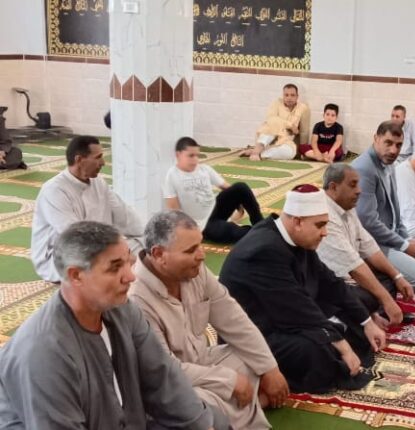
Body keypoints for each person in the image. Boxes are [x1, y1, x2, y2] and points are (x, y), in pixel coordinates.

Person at [0, 221, 228, 429]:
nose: (130, 276)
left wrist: (203, 425)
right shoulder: (44, 351)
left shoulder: (121, 309)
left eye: (129, 262)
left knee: (212, 420)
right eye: (115, 267)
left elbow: (162, 377)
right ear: (76, 275)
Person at [219, 185, 387, 394]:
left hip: (285, 315)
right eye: (320, 225)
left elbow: (330, 282)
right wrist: (342, 345)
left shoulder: (294, 238)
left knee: (359, 305)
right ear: (297, 222)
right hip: (257, 333)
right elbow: (296, 309)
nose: (325, 232)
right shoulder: (264, 250)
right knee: (315, 351)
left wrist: (366, 321)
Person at [130, 211, 289, 430]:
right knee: (191, 404)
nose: (202, 255)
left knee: (255, 360)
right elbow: (165, 370)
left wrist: (270, 369)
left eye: (200, 244)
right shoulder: (136, 299)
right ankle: (247, 407)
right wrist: (230, 381)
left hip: (203, 362)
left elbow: (234, 319)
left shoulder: (193, 271)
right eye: (190, 250)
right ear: (158, 254)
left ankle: (236, 411)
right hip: (170, 383)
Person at [31, 135, 144, 283]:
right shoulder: (54, 190)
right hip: (64, 256)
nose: (103, 162)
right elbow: (75, 237)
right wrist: (122, 255)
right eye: (98, 157)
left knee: (148, 248)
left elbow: (124, 215)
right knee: (113, 268)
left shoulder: (99, 182)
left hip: (100, 247)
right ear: (79, 160)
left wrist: (144, 239)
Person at [317, 163, 415, 329]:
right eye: (352, 185)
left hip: (349, 276)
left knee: (389, 279)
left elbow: (368, 246)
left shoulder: (345, 205)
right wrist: (387, 300)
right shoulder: (325, 215)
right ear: (333, 187)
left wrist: (397, 276)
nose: (359, 191)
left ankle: (372, 314)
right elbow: (353, 266)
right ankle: (365, 318)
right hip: (329, 283)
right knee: (368, 297)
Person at [351, 120, 415, 294]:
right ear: (376, 139)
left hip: (388, 238)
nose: (393, 150)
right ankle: (370, 268)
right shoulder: (364, 168)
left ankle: (385, 268)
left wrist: (406, 238)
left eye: (398, 145)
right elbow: (367, 222)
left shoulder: (390, 163)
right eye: (388, 143)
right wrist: (404, 246)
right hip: (369, 244)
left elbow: (395, 211)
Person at [164, 137, 263, 244]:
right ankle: (260, 233)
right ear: (178, 155)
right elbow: (174, 210)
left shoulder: (204, 169)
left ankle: (260, 224)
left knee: (240, 187)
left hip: (214, 210)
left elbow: (226, 187)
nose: (195, 159)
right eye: (191, 156)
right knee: (226, 230)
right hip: (200, 224)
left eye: (197, 155)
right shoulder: (172, 176)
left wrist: (239, 206)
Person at [241, 84, 310, 160]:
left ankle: (259, 154)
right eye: (286, 95)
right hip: (270, 134)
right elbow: (271, 119)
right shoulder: (276, 103)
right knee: (272, 126)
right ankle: (256, 152)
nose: (289, 98)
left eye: (292, 95)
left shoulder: (303, 108)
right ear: (283, 96)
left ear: (297, 96)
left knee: (290, 153)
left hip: (285, 140)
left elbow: (304, 132)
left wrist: (303, 152)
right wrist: (290, 125)